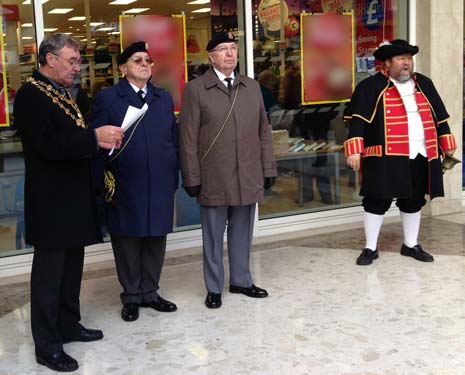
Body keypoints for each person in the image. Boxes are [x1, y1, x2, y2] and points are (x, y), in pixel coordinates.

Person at [13, 34, 124, 372]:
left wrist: (97, 139)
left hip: (73, 196)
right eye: (72, 61)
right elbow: (47, 145)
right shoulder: (31, 95)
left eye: (78, 62)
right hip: (50, 201)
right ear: (49, 58)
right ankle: (47, 345)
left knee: (72, 268)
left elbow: (71, 135)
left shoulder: (60, 92)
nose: (78, 68)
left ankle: (68, 325)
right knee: (49, 276)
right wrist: (93, 137)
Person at [179, 32, 277, 309]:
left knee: (243, 231)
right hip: (214, 175)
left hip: (247, 172)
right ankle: (213, 287)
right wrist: (192, 176)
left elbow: (264, 131)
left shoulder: (252, 86)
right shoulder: (196, 89)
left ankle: (242, 280)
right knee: (212, 234)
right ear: (211, 57)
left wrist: (267, 167)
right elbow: (187, 138)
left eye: (233, 48)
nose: (230, 54)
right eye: (223, 49)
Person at [344, 39, 457, 266]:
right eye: (401, 59)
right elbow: (357, 122)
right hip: (384, 155)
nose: (407, 63)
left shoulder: (424, 83)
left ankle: (411, 244)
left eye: (409, 58)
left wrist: (447, 143)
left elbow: (440, 118)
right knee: (377, 200)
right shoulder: (371, 86)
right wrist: (354, 151)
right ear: (387, 62)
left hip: (420, 152)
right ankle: (370, 248)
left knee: (414, 200)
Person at [90, 42, 178, 322]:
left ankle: (150, 291)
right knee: (128, 239)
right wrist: (101, 182)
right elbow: (96, 142)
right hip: (126, 181)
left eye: (148, 60)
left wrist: (173, 173)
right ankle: (131, 295)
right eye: (137, 60)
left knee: (155, 237)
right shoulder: (109, 98)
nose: (144, 64)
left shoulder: (162, 98)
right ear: (122, 67)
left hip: (160, 181)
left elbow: (172, 140)